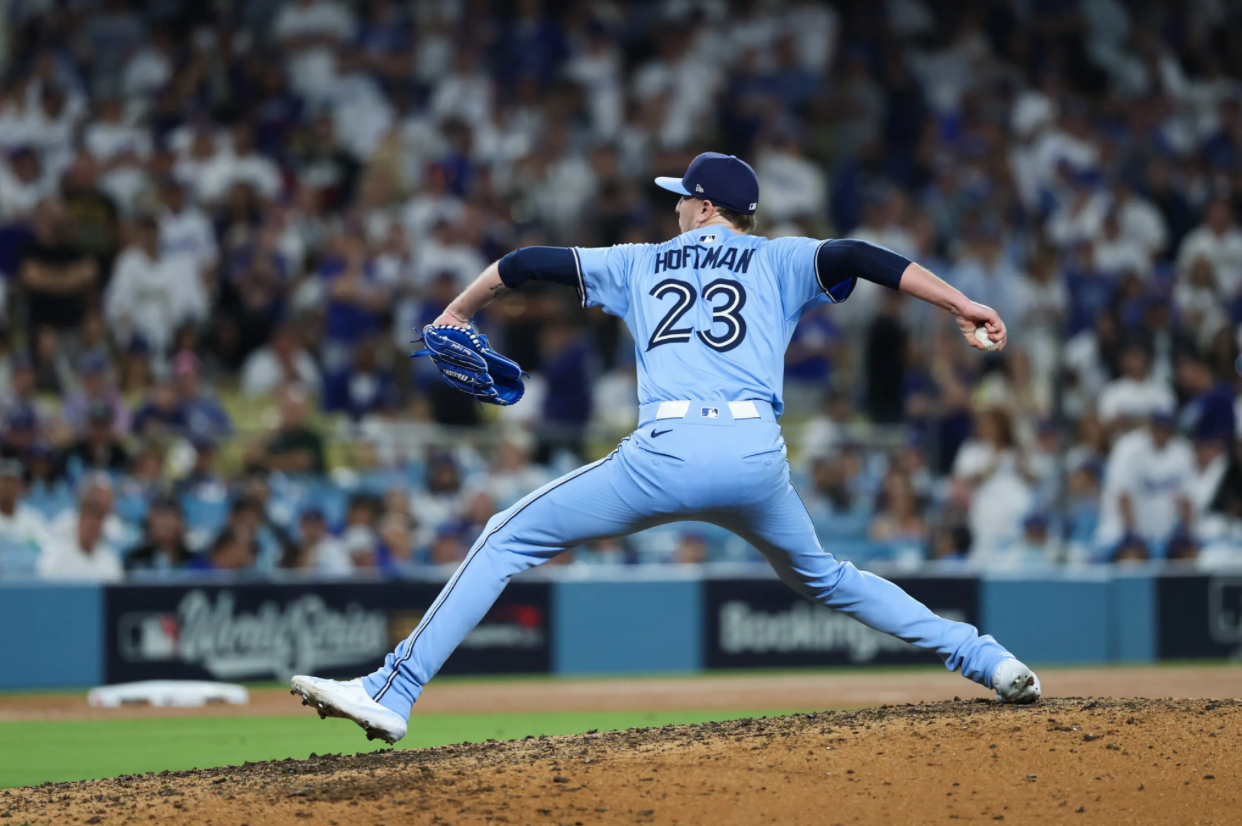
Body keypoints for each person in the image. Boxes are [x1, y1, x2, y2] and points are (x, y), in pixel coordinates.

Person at [291, 151, 1040, 744]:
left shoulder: (641, 261)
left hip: (668, 452)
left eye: (682, 196)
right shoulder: (782, 258)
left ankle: (395, 691)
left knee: (505, 536)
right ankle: (988, 659)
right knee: (829, 579)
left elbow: (524, 265)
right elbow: (862, 255)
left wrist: (457, 310)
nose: (675, 206)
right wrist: (960, 303)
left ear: (706, 207)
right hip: (755, 455)